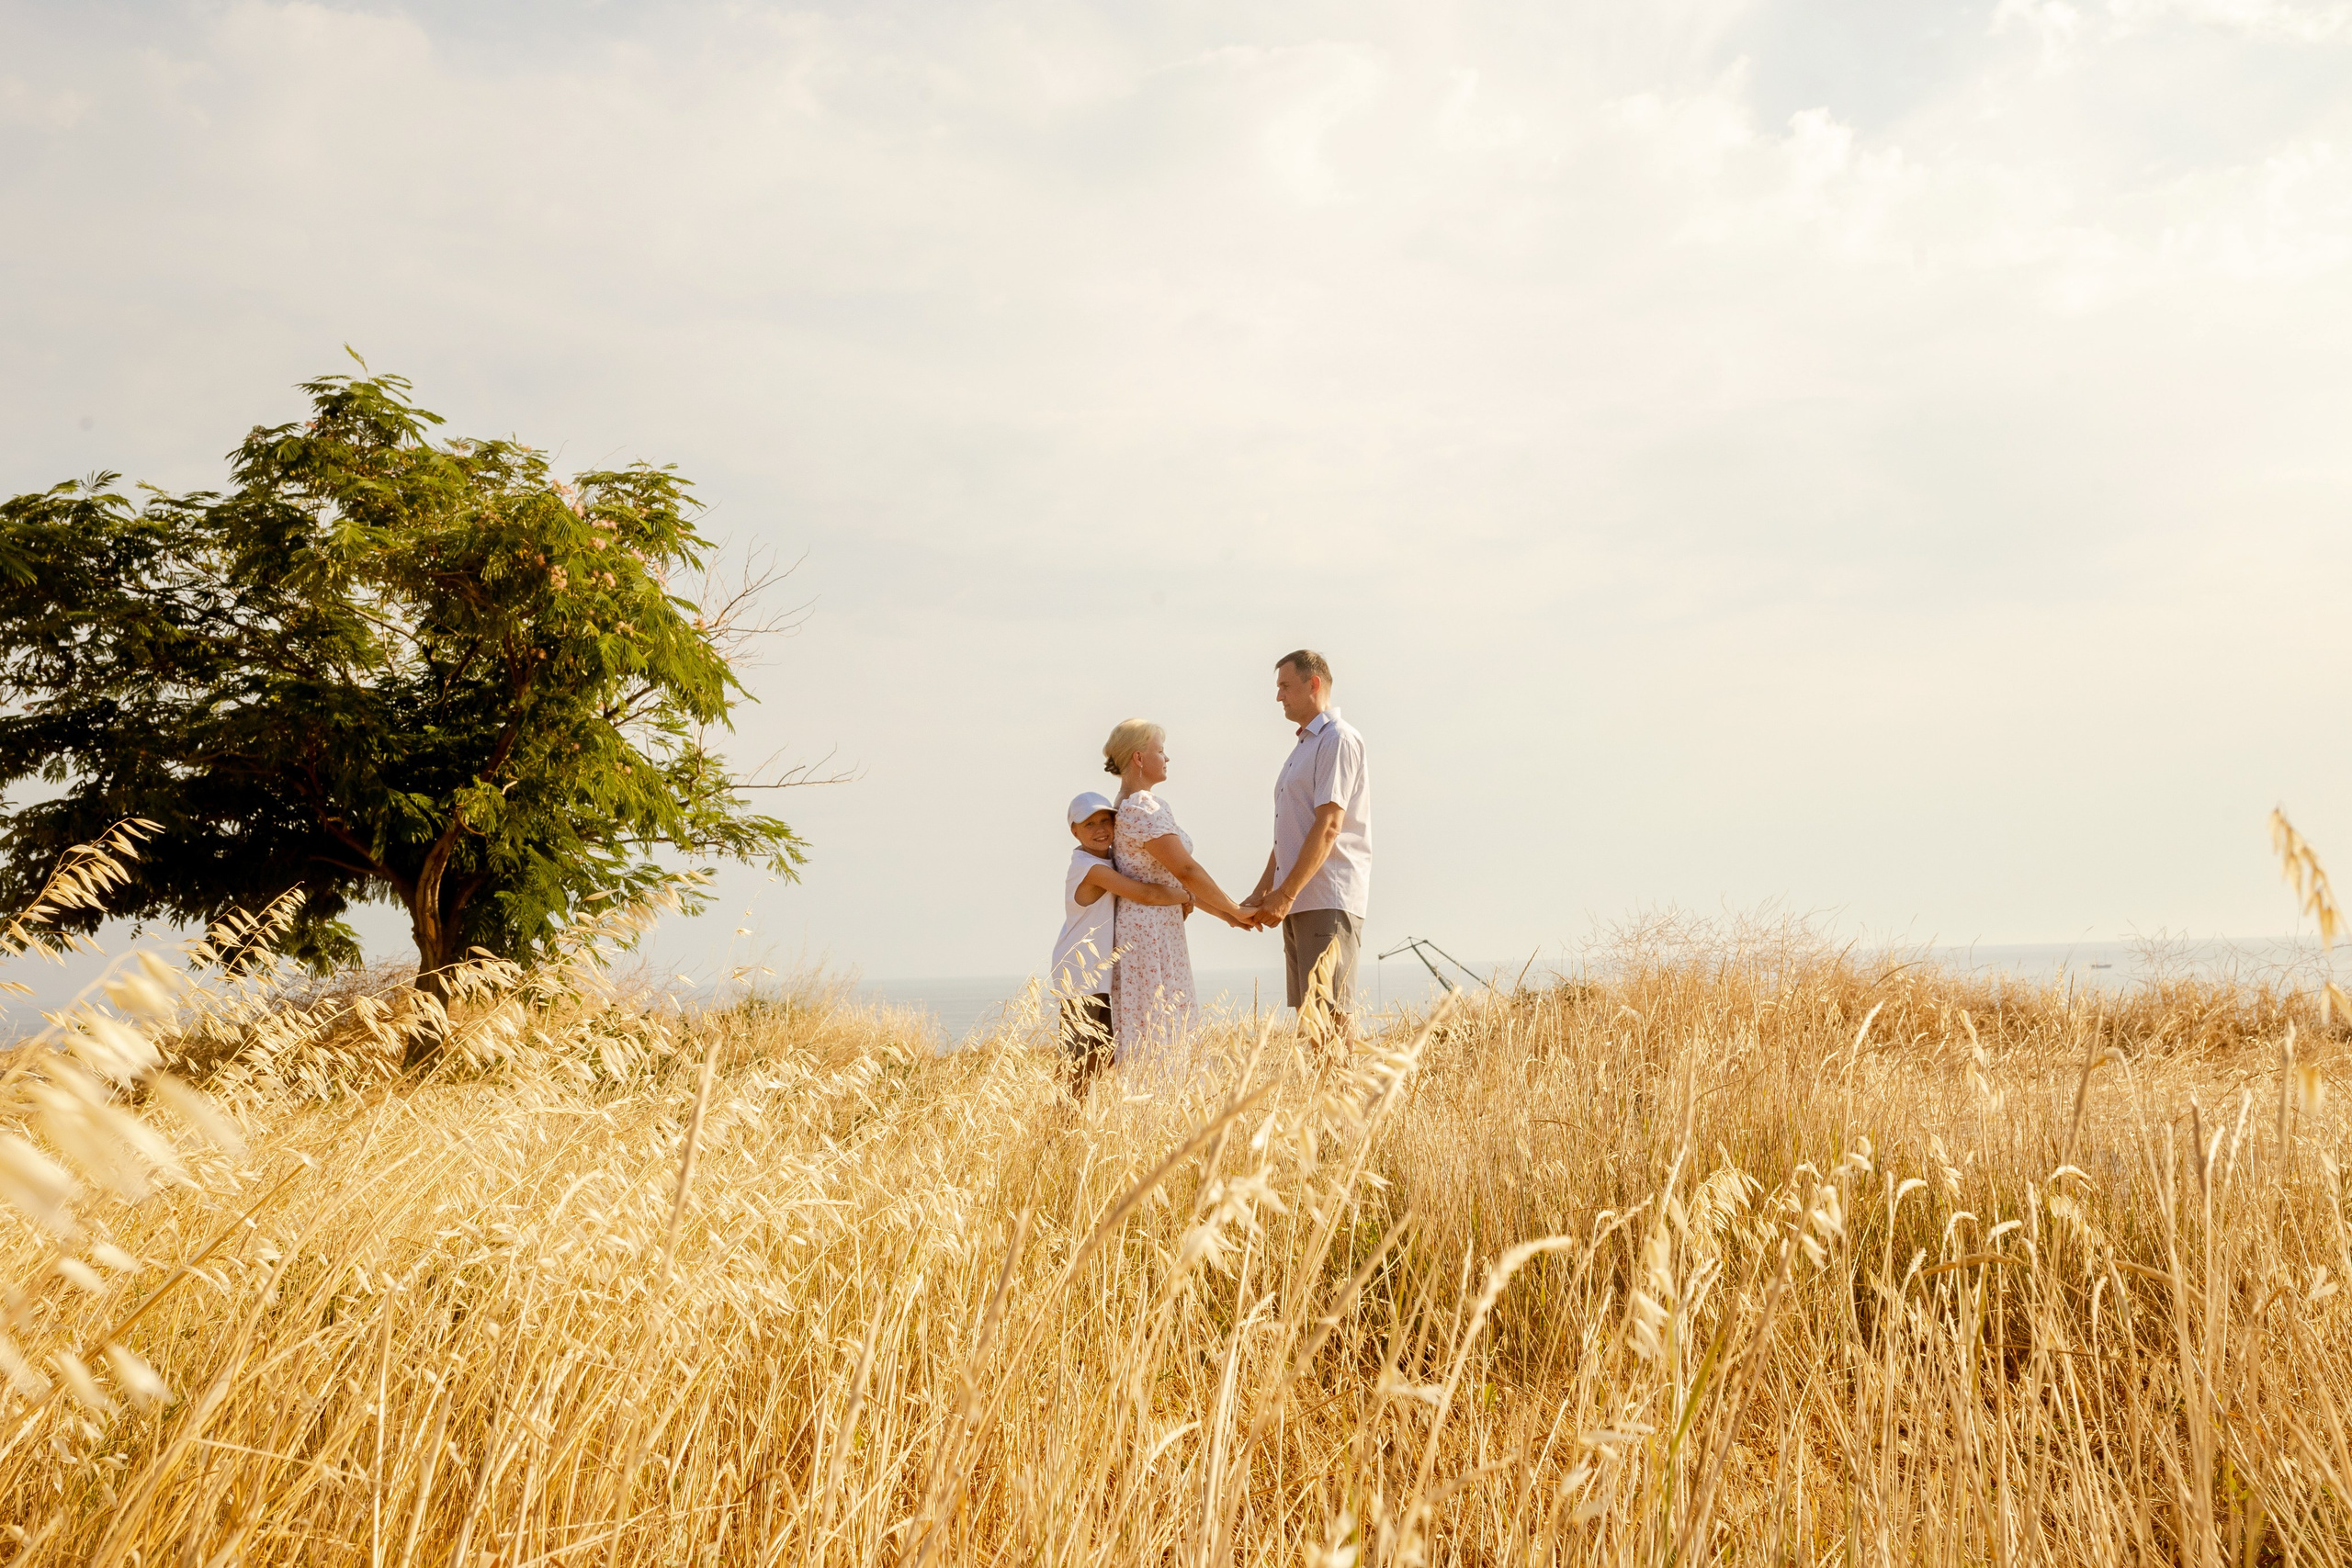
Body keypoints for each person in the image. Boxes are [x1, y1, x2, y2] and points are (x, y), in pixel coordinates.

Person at [1102, 718, 1255, 1072]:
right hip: (1150, 932)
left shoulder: (1129, 804)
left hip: (1154, 925)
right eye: (1160, 750)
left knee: (1158, 1027)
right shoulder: (1142, 806)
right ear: (1139, 758)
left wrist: (1226, 915)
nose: (1167, 757)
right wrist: (1232, 907)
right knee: (1158, 1030)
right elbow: (1186, 871)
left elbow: (1173, 882)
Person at [1241, 649, 1371, 1053]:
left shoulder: (1337, 740)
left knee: (1331, 1015)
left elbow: (1329, 825)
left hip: (1325, 896)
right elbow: (1290, 833)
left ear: (1313, 684)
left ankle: (1346, 1116)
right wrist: (1265, 890)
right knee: (1310, 1020)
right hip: (1299, 900)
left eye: (1284, 686)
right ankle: (1325, 1113)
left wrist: (1286, 892)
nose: (1278, 696)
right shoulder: (1304, 746)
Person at [1049, 791, 1191, 1099]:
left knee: (1103, 1058)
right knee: (1077, 1065)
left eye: (1105, 820)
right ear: (1074, 831)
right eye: (1089, 824)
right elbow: (1146, 894)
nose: (1099, 829)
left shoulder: (1113, 859)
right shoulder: (1088, 868)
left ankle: (1077, 1126)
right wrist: (1187, 896)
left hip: (1103, 975)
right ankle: (1058, 1132)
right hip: (1080, 975)